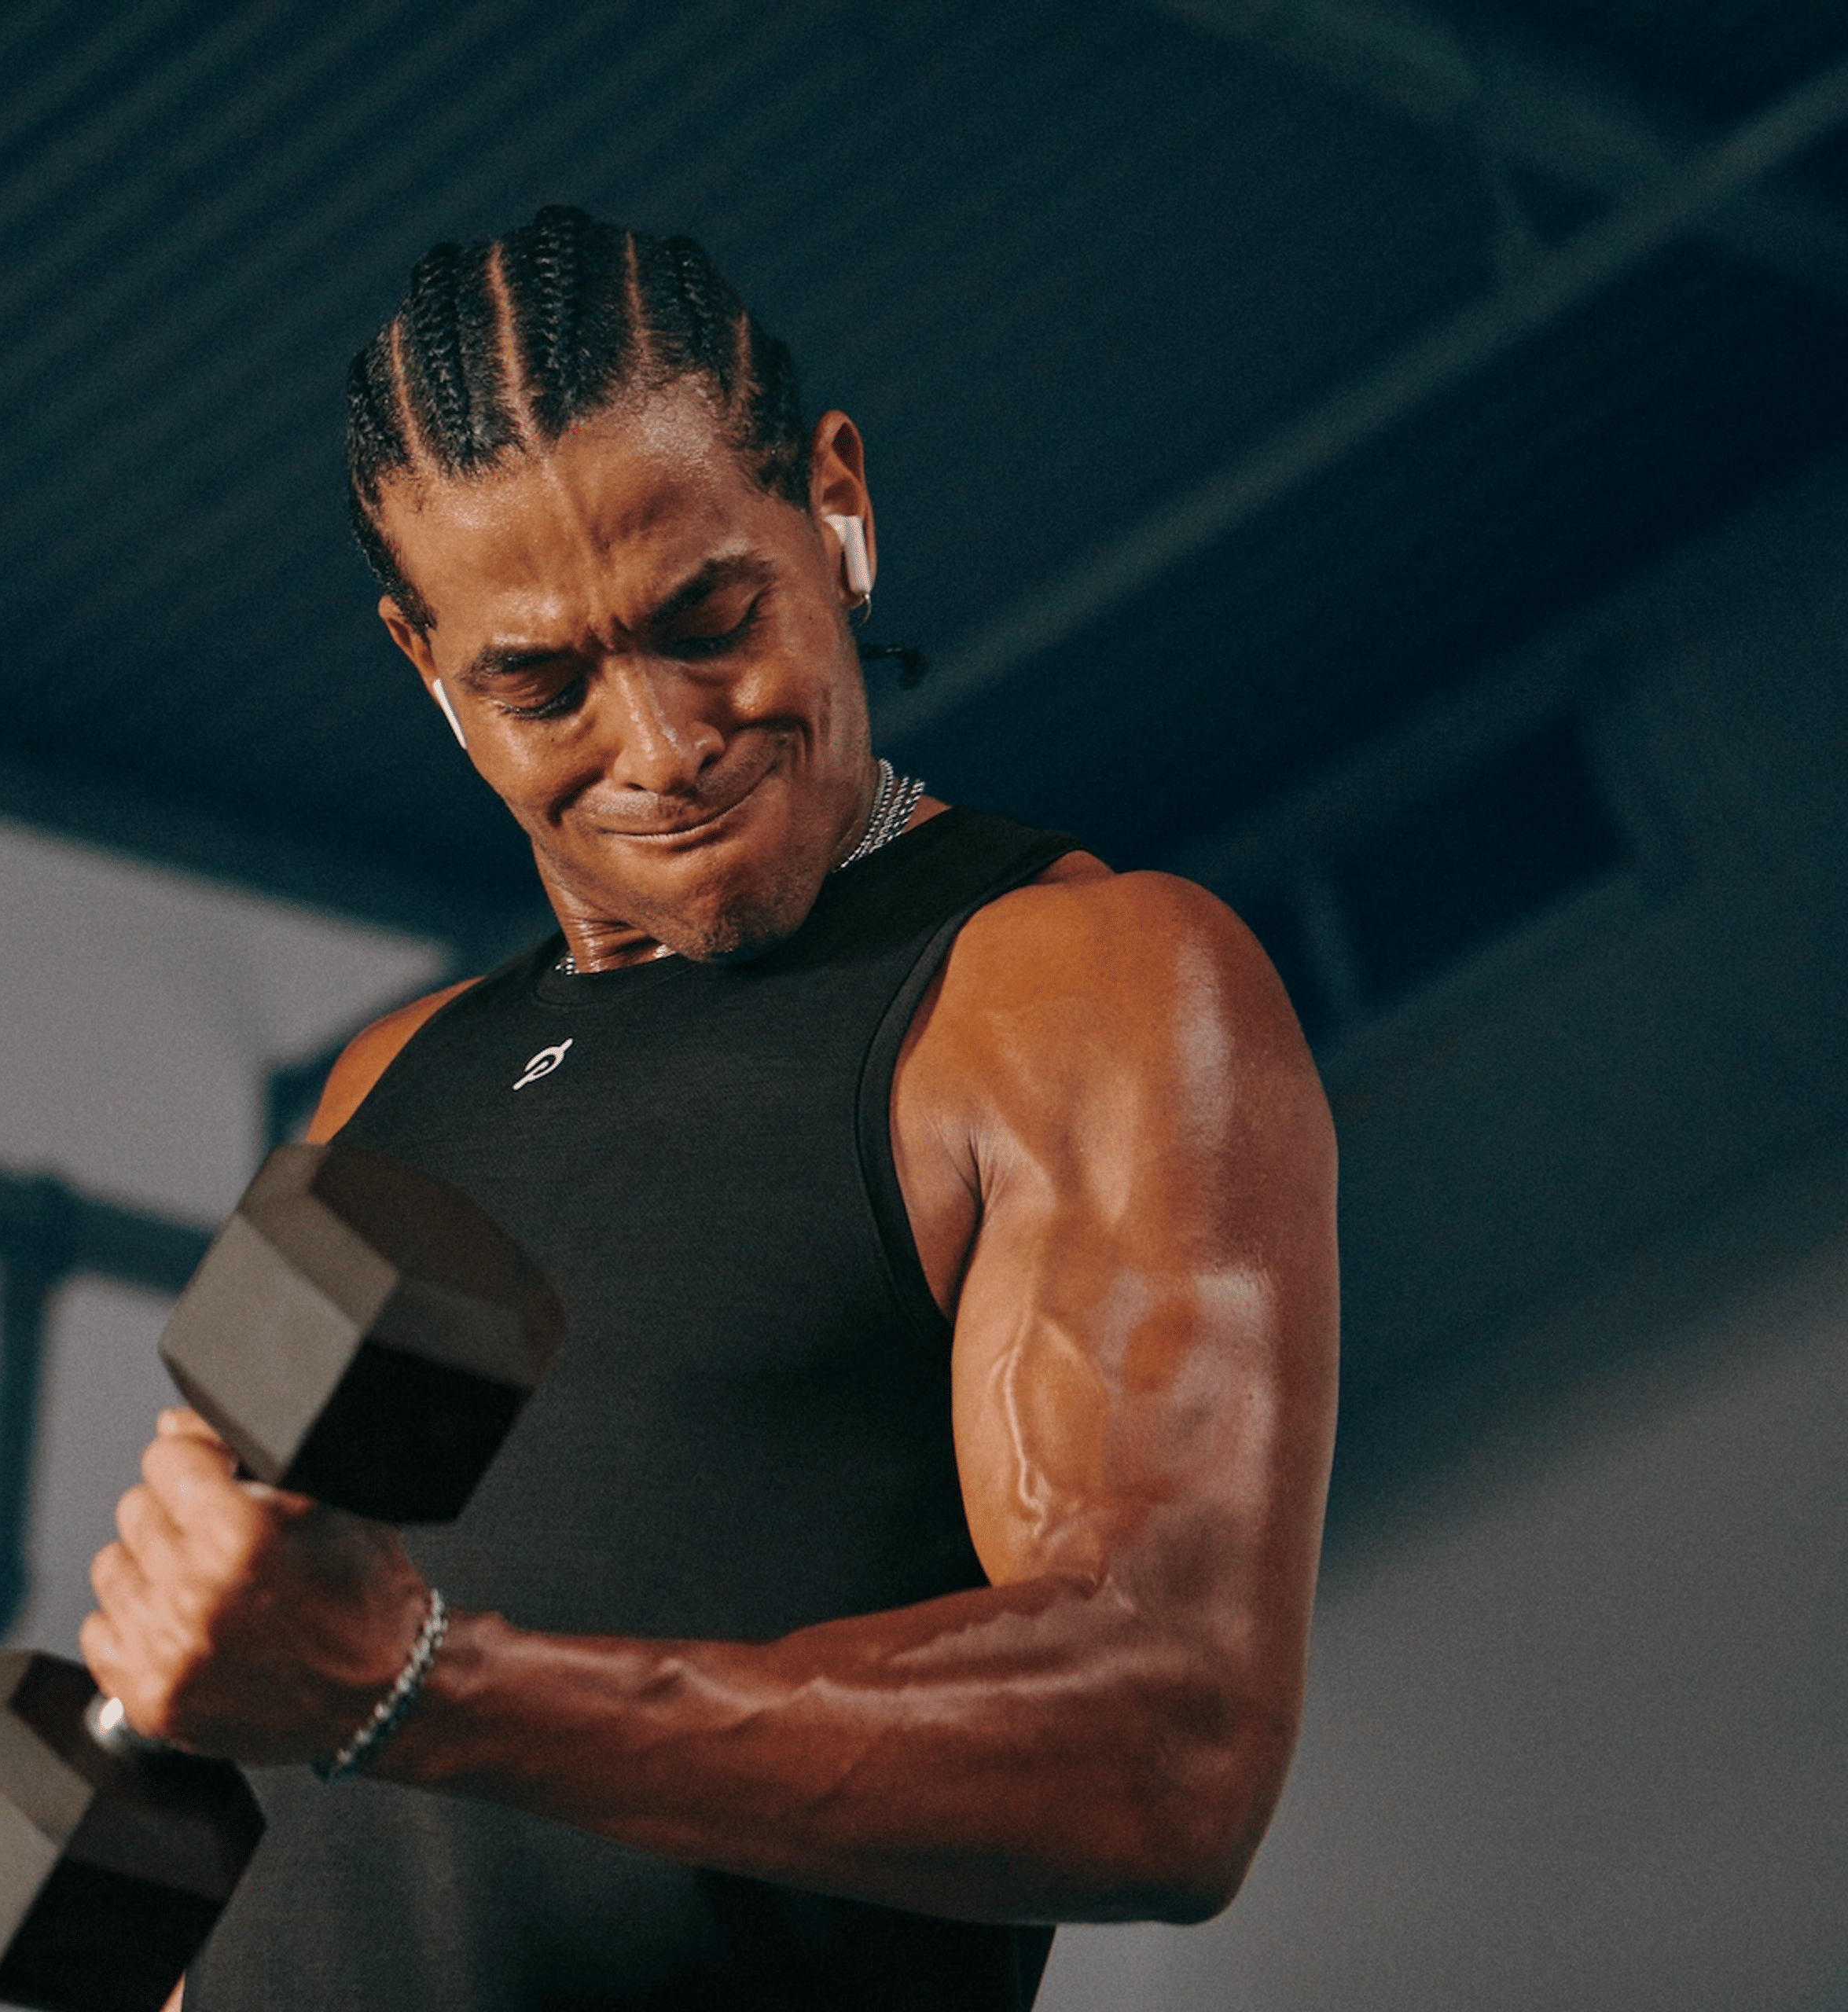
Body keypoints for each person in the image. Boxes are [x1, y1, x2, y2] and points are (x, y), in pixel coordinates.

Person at [77, 207, 1339, 2011]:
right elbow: (214, 1729)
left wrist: (422, 1688)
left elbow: (1167, 1746)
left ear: (836, 505)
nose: (663, 745)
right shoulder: (384, 1084)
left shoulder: (1080, 984)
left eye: (709, 619)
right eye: (541, 681)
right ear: (426, 666)